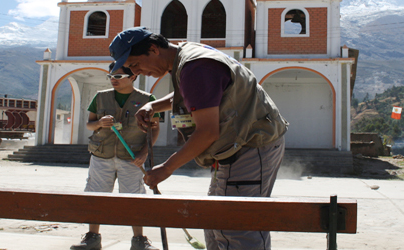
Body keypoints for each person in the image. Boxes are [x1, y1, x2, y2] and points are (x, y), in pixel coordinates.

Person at [109, 27, 289, 250]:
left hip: (248, 147)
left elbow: (207, 132)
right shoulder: (187, 56)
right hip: (235, 148)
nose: (137, 72)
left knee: (236, 227)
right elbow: (194, 90)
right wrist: (155, 105)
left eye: (135, 64)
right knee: (214, 221)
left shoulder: (196, 67)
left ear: (153, 49)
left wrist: (166, 168)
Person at [70, 62, 160, 250]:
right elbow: (89, 124)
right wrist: (99, 123)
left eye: (118, 77)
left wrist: (144, 153)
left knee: (134, 198)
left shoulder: (147, 99)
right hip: (101, 155)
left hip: (132, 157)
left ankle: (139, 241)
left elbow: (155, 129)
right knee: (96, 196)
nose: (113, 80)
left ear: (133, 77)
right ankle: (92, 238)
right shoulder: (100, 97)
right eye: (111, 76)